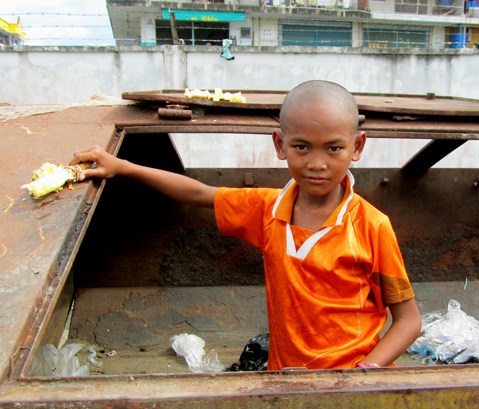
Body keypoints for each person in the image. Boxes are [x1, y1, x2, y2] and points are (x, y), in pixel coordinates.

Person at [71, 80, 422, 370]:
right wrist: (123, 167)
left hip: (353, 383)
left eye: (333, 149)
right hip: (286, 379)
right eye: (302, 147)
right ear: (280, 144)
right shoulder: (267, 210)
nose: (317, 163)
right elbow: (199, 193)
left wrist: (366, 372)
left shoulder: (372, 226)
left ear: (357, 147)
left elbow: (408, 320)